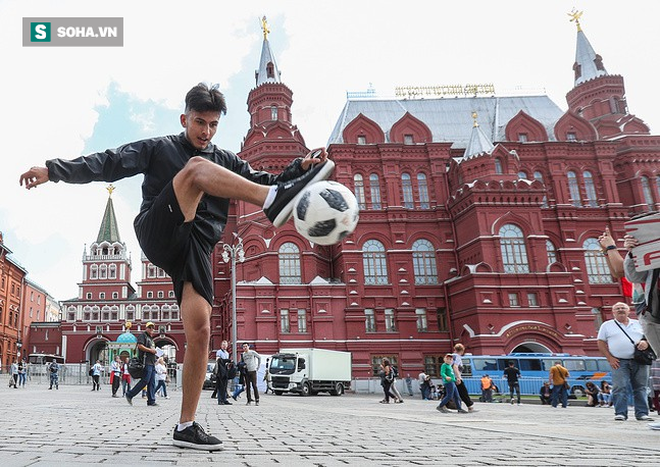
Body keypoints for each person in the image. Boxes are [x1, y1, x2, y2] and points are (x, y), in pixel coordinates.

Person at [19, 83, 333, 451]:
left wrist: (301, 167)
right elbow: (108, 162)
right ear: (185, 118)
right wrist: (53, 170)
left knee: (199, 330)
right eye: (199, 122)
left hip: (196, 246)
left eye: (213, 125)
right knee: (198, 169)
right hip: (161, 227)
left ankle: (186, 425)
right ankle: (272, 204)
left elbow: (264, 179)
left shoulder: (226, 158)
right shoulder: (159, 148)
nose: (206, 131)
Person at [597, 302, 654, 421]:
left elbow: (649, 336)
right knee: (620, 387)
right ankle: (621, 413)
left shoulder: (639, 323)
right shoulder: (607, 325)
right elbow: (601, 342)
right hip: (619, 361)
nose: (620, 310)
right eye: (617, 308)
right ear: (613, 312)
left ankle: (642, 413)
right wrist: (609, 358)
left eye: (623, 308)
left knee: (641, 387)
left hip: (640, 360)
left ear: (629, 311)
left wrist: (646, 342)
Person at [125, 322, 159, 407]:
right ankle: (130, 394)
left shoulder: (151, 339)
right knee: (145, 380)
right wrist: (150, 350)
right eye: (149, 327)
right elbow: (140, 346)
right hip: (146, 362)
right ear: (146, 328)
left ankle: (151, 400)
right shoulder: (143, 335)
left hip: (152, 362)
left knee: (152, 382)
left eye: (152, 328)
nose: (151, 329)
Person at [452, 343, 476, 412]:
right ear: (462, 350)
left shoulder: (451, 356)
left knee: (450, 392)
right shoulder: (457, 357)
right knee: (463, 392)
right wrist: (458, 377)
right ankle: (470, 407)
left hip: (450, 376)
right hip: (455, 377)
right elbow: (455, 367)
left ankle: (443, 405)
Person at [213, 340, 231, 405]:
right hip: (220, 370)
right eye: (223, 345)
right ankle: (220, 400)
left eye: (225, 345)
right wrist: (227, 360)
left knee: (225, 385)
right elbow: (218, 360)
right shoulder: (219, 352)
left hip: (225, 369)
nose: (224, 346)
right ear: (221, 345)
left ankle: (224, 399)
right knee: (220, 385)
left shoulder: (227, 353)